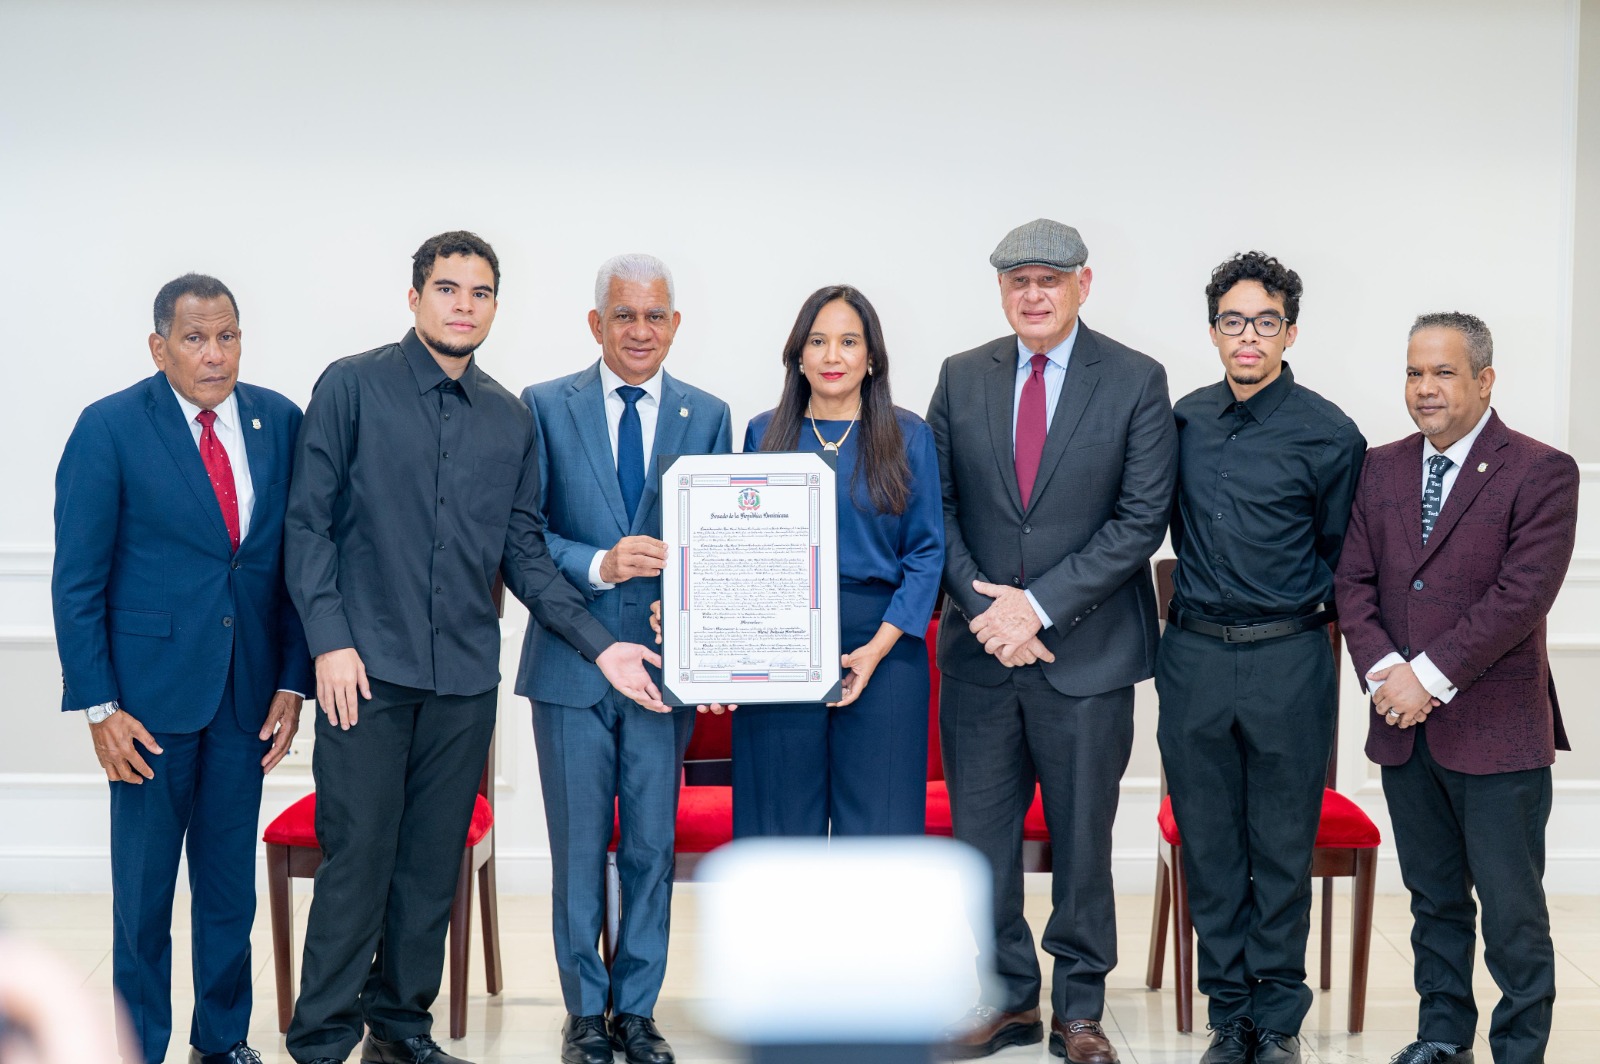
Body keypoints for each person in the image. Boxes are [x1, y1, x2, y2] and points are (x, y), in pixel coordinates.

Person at [283, 232, 665, 1064]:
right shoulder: (351, 387)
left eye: (480, 292)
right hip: (365, 675)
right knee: (359, 860)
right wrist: (330, 643)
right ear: (415, 297)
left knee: (429, 868)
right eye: (448, 288)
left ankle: (400, 1030)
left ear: (496, 305)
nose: (464, 304)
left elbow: (525, 555)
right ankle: (319, 1042)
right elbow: (307, 526)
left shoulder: (507, 417)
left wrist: (604, 649)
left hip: (462, 680)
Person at [927, 219, 1177, 1064]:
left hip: (1088, 656)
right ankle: (1005, 1002)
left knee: (1081, 843)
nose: (1033, 295)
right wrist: (985, 611)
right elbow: (940, 511)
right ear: (1001, 290)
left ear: (1084, 284)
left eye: (1050, 280)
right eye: (1017, 281)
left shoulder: (1137, 380)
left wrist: (1034, 609)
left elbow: (1140, 518)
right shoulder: (962, 378)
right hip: (978, 660)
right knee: (981, 843)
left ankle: (1079, 1010)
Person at [52, 273, 313, 1064]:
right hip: (146, 707)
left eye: (227, 335)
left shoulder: (280, 421)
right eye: (196, 338)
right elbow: (78, 580)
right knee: (144, 896)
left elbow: (297, 567)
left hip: (246, 700)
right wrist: (100, 706)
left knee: (228, 888)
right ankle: (139, 1042)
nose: (214, 353)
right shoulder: (109, 428)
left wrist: (292, 681)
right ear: (159, 345)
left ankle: (222, 1038)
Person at [1335, 312, 1578, 1064]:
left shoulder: (1540, 470)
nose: (1425, 388)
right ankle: (1442, 1037)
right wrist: (1386, 676)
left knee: (1512, 913)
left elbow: (1520, 597)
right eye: (1414, 372)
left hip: (1499, 733)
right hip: (1405, 731)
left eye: (1443, 372)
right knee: (1433, 903)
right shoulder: (1379, 468)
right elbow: (1355, 582)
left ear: (1484, 380)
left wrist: (1426, 680)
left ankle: (1519, 1048)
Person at [516, 253, 732, 1064]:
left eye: (655, 316)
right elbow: (525, 535)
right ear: (596, 324)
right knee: (578, 845)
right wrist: (602, 563)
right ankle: (583, 1013)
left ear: (674, 324)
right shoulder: (542, 407)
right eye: (624, 316)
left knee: (649, 844)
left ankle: (636, 1012)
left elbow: (721, 545)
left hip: (665, 672)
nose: (640, 331)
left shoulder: (707, 414)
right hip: (571, 664)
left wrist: (709, 641)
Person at [1155, 252, 1366, 1064]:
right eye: (1234, 321)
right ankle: (1231, 1013)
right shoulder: (1181, 421)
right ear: (1213, 332)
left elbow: (1344, 554)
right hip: (1196, 656)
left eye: (1266, 321)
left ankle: (1277, 1018)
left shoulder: (1328, 431)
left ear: (1291, 330)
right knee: (1211, 845)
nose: (1249, 337)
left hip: (1288, 657)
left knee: (1281, 845)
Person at [736, 284, 944, 837]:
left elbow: (927, 553)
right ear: (797, 355)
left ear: (871, 357)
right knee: (779, 827)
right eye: (818, 341)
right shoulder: (764, 433)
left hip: (884, 643)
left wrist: (875, 650)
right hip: (778, 641)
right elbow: (739, 551)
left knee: (880, 830)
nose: (832, 356)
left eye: (849, 341)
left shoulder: (909, 435)